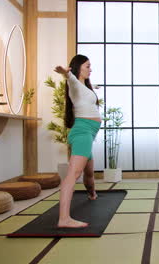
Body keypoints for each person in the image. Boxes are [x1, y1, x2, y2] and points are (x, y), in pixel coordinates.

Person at [54, 54, 101, 228]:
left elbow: (84, 94)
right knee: (73, 175)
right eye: (87, 66)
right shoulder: (73, 82)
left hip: (87, 134)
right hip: (83, 132)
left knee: (89, 174)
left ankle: (92, 194)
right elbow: (70, 79)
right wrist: (65, 73)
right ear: (78, 67)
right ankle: (64, 219)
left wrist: (93, 88)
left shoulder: (84, 88)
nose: (90, 69)